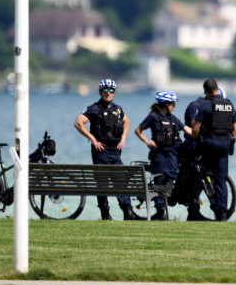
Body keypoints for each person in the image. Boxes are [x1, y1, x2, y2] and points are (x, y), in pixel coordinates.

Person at [73, 78, 141, 220]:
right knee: (102, 183)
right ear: (100, 92)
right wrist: (93, 140)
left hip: (115, 151)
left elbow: (126, 121)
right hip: (101, 151)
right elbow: (78, 123)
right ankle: (105, 213)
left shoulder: (118, 109)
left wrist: (123, 138)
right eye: (105, 91)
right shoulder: (93, 108)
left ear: (114, 93)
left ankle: (127, 212)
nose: (108, 93)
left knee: (121, 181)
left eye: (111, 91)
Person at [134, 90, 191, 220]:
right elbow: (138, 130)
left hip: (172, 154)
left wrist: (198, 133)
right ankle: (160, 212)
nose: (174, 106)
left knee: (168, 182)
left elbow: (187, 129)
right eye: (173, 104)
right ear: (166, 104)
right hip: (159, 154)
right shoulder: (153, 117)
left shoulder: (173, 118)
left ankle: (170, 204)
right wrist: (147, 141)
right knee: (159, 180)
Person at [191, 78, 236, 221]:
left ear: (207, 92)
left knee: (203, 174)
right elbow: (235, 130)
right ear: (217, 88)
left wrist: (196, 138)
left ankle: (196, 203)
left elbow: (195, 129)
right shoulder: (230, 105)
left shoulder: (206, 104)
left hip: (209, 144)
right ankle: (222, 212)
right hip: (224, 145)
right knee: (221, 179)